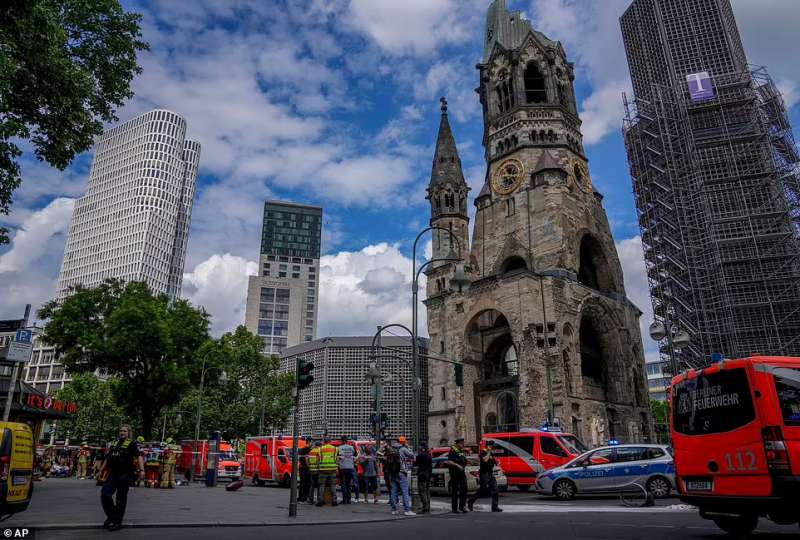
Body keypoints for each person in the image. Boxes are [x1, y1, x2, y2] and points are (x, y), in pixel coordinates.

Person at [100, 424, 145, 531]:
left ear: (128, 433)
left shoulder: (131, 443)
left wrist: (142, 470)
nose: (122, 432)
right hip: (113, 473)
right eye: (120, 430)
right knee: (105, 494)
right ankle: (112, 516)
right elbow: (108, 458)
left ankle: (117, 522)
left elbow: (139, 456)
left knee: (120, 499)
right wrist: (101, 470)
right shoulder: (114, 443)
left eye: (124, 431)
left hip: (125, 474)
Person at [468, 441, 502, 512]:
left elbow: (493, 462)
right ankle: (470, 502)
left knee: (495, 489)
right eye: (492, 446)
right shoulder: (483, 452)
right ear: (489, 446)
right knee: (482, 490)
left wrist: (497, 462)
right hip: (484, 474)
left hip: (490, 473)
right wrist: (489, 452)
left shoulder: (491, 453)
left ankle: (494, 507)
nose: (493, 448)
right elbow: (485, 460)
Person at [444, 437, 469, 513]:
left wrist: (467, 462)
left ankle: (462, 506)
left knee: (464, 489)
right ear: (458, 443)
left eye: (463, 443)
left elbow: (463, 459)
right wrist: (457, 465)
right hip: (455, 473)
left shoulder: (461, 450)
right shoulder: (453, 450)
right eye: (462, 443)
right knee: (455, 490)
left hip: (461, 473)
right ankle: (454, 508)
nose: (463, 444)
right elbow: (448, 461)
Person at [316, 437, 338, 506]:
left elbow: (318, 459)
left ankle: (320, 500)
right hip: (332, 469)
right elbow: (336, 459)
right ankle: (334, 500)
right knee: (333, 485)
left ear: (324, 441)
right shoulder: (335, 449)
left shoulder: (320, 449)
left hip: (323, 469)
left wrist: (319, 466)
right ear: (330, 441)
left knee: (322, 485)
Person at [337, 436, 359, 504]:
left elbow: (337, 457)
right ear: (346, 441)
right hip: (350, 467)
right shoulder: (351, 447)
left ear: (341, 441)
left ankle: (344, 500)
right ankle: (349, 500)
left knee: (343, 484)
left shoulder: (339, 448)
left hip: (343, 467)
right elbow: (355, 455)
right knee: (348, 484)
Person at [416, 441, 433, 514]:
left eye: (419, 446)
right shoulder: (429, 455)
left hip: (422, 475)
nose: (418, 447)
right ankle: (428, 507)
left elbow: (416, 463)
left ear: (422, 447)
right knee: (427, 492)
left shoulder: (420, 455)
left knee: (422, 492)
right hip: (428, 475)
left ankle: (424, 508)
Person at [307, 440, 321, 505]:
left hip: (311, 470)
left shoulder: (311, 451)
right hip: (317, 470)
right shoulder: (319, 451)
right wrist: (319, 468)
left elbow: (307, 460)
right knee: (319, 485)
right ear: (320, 445)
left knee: (312, 486)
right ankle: (318, 499)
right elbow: (318, 460)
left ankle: (311, 500)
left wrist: (309, 467)